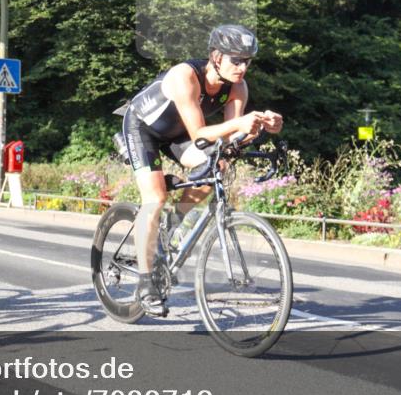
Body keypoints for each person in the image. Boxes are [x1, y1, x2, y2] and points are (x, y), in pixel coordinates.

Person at [119, 24, 283, 313]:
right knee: (155, 198)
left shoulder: (237, 87)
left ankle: (170, 226)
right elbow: (200, 135)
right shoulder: (185, 77)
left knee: (216, 165)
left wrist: (260, 128)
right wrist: (240, 124)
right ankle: (145, 284)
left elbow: (231, 140)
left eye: (247, 61)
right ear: (216, 57)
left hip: (178, 134)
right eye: (237, 60)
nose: (243, 67)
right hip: (144, 128)